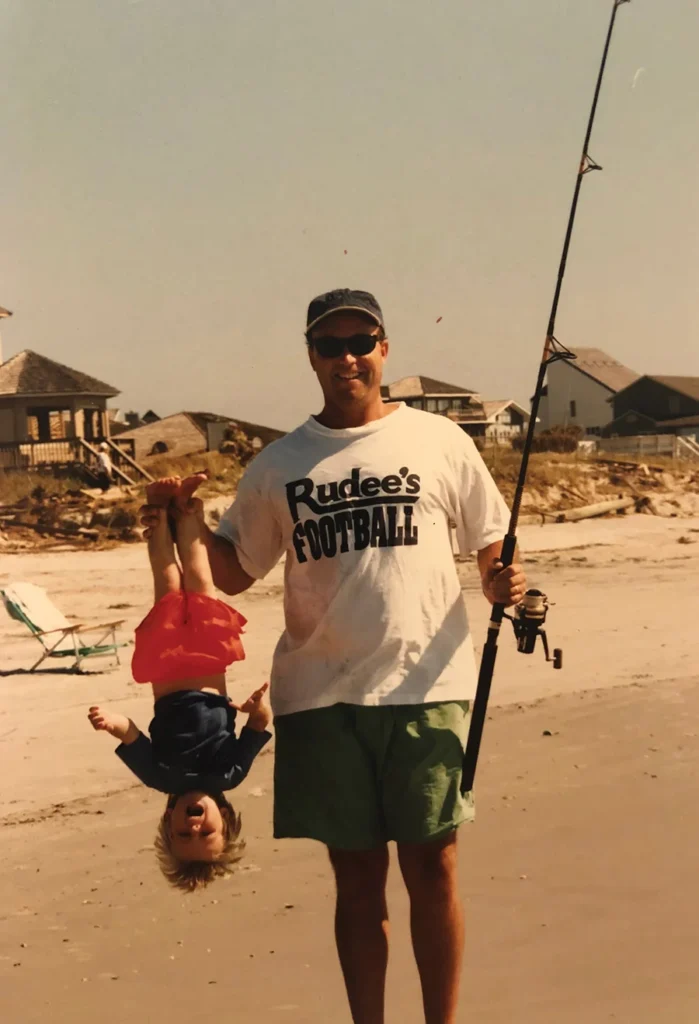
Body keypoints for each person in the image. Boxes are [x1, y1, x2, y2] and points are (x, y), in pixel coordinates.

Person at [141, 289, 526, 1022]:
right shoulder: (280, 462)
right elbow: (232, 571)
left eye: (361, 341)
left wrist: (503, 579)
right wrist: (180, 518)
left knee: (433, 868)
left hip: (426, 684)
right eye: (330, 345)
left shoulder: (440, 442)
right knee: (355, 881)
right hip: (318, 697)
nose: (346, 357)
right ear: (311, 357)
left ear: (385, 348)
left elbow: (489, 542)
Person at [90, 476, 272, 892]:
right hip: (211, 663)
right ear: (225, 820)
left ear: (167, 823)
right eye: (205, 833)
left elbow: (133, 736)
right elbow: (259, 727)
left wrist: (112, 722)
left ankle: (157, 510)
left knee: (168, 586)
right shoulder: (231, 773)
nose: (193, 826)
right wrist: (255, 706)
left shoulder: (160, 776)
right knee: (200, 583)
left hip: (166, 667)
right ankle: (188, 514)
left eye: (182, 835)